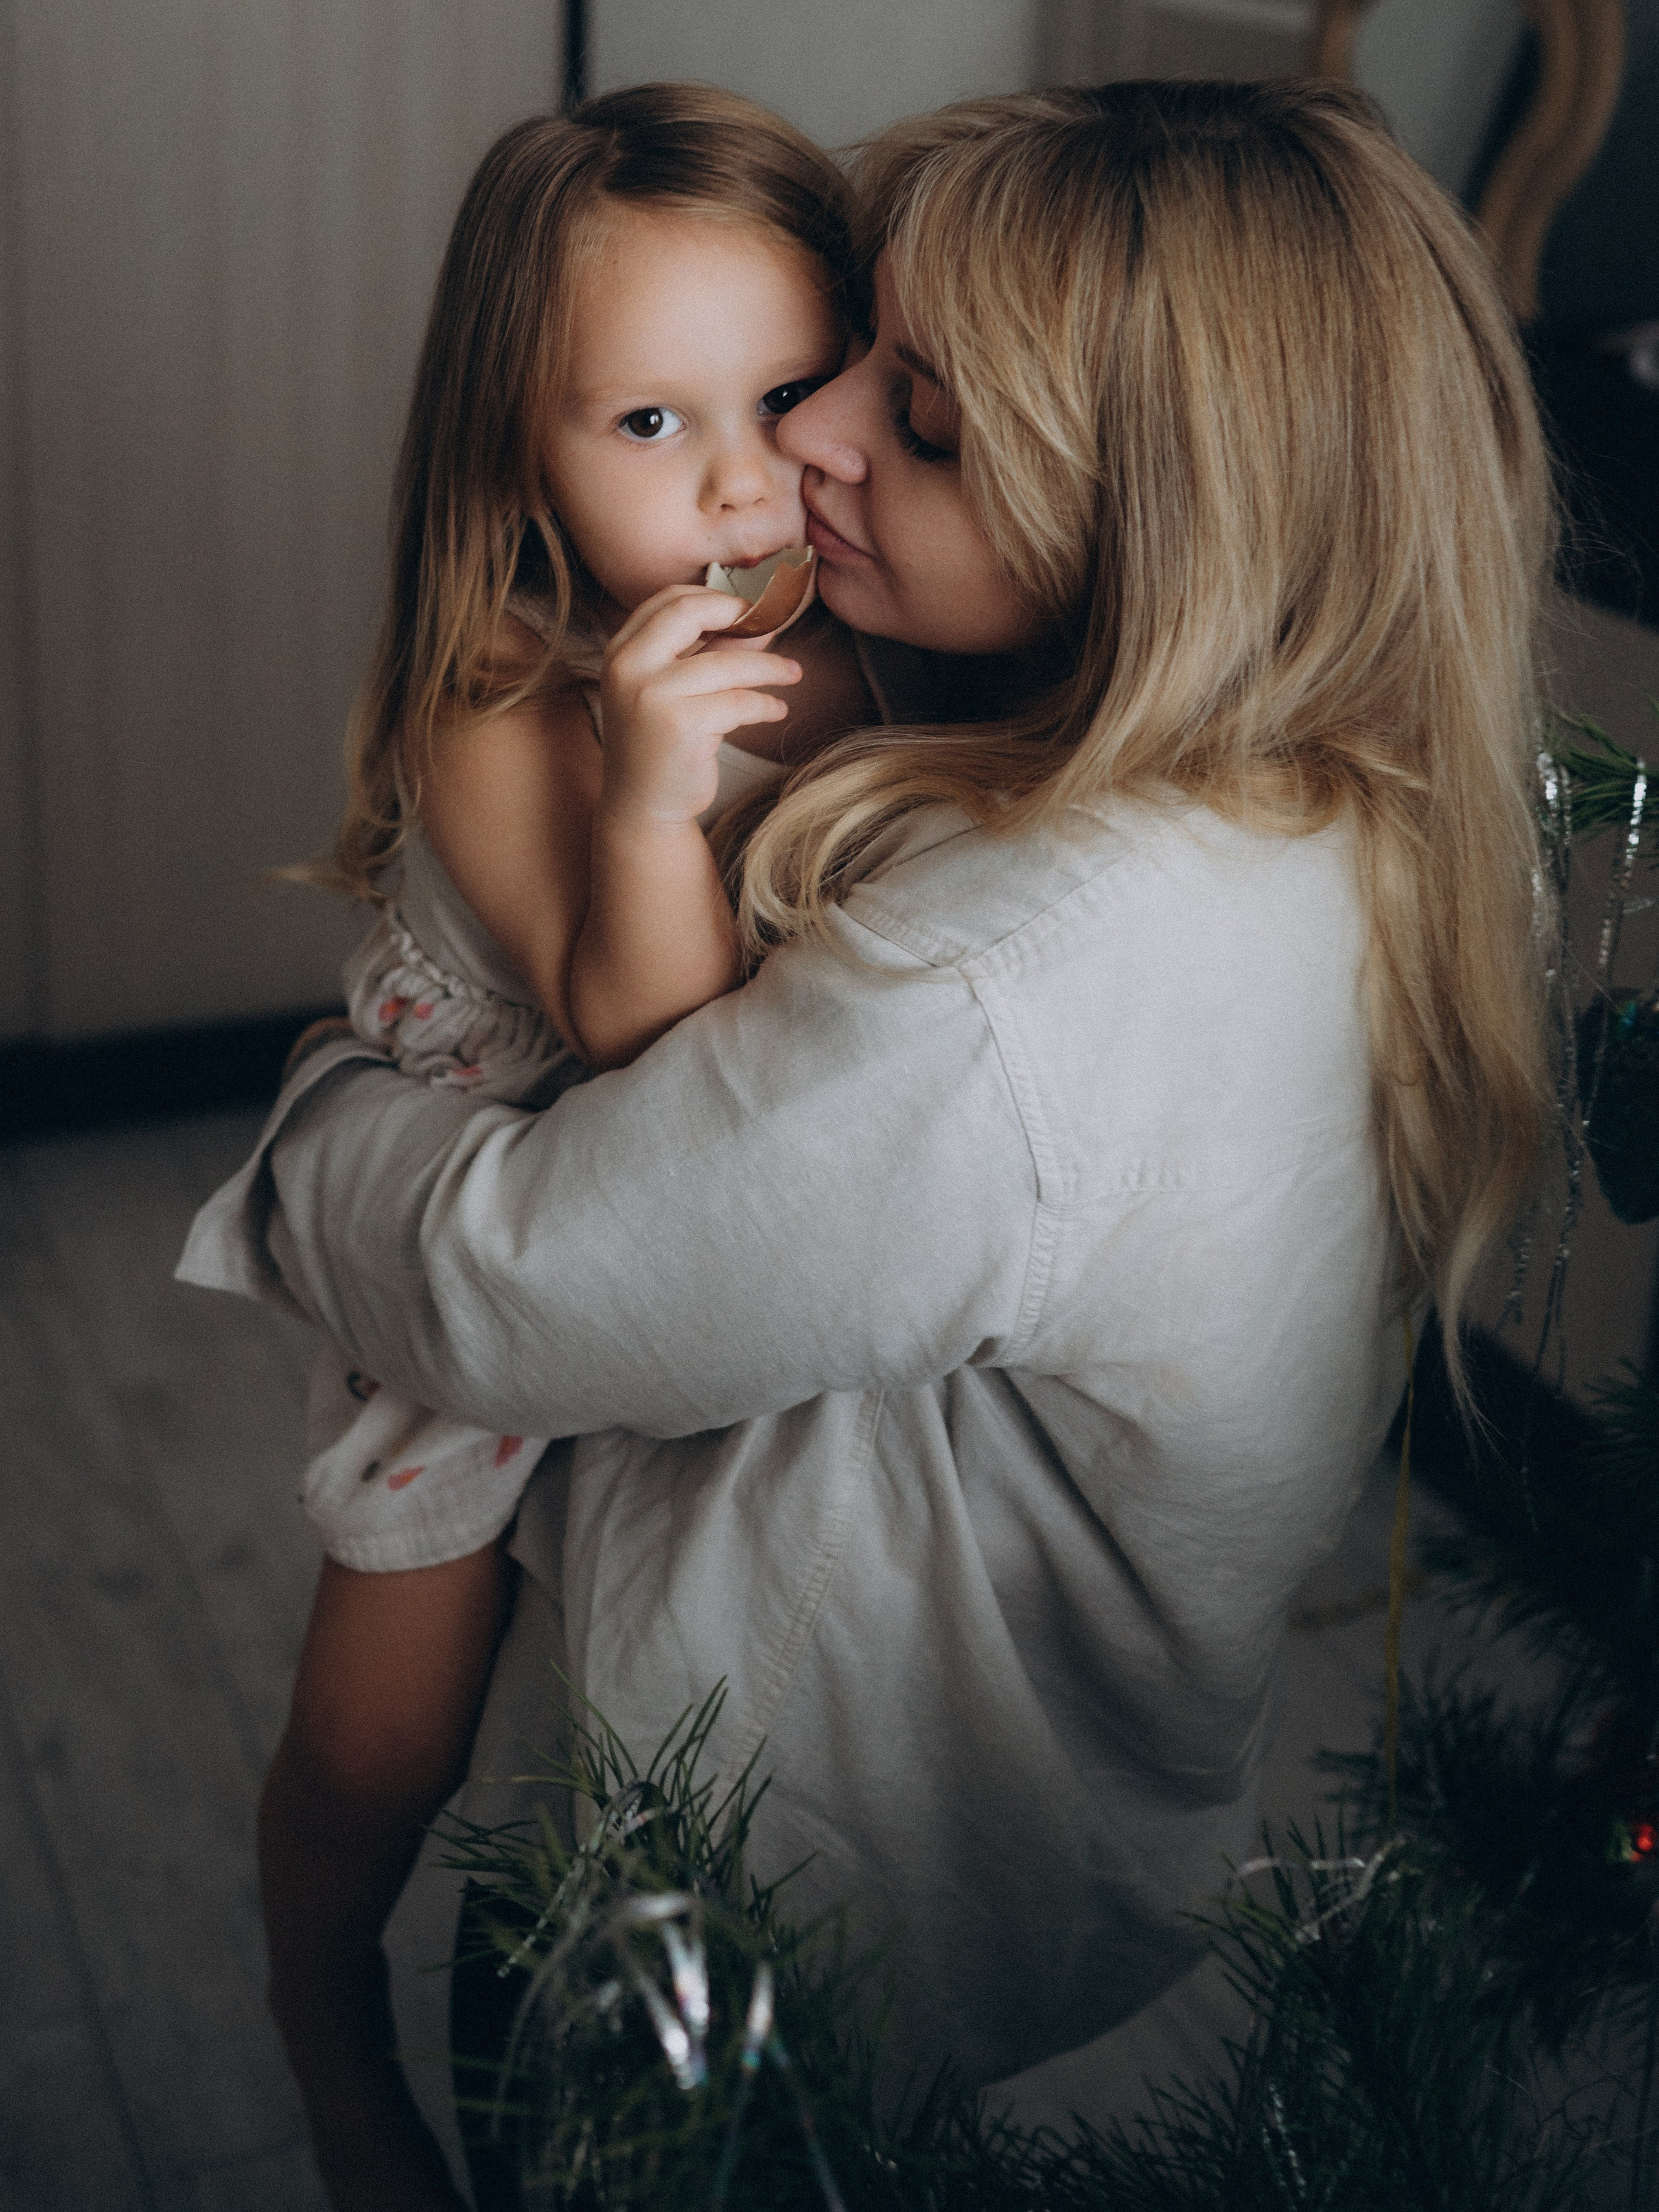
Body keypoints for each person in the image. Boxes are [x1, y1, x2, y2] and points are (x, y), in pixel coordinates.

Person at [191, 78, 1555, 2212]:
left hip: (751, 1883)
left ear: (1158, 513)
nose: (789, 457)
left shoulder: (1005, 967)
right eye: (672, 414)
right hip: (625, 1335)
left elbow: (540, 1264)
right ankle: (316, 1986)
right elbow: (648, 1059)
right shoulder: (1296, 811)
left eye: (892, 408)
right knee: (384, 1725)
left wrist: (319, 1125)